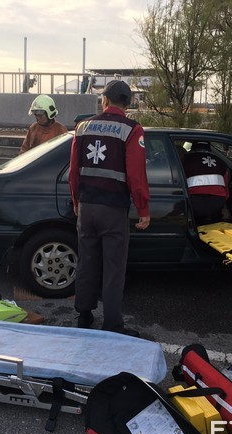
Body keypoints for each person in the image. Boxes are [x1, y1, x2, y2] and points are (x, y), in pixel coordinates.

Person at [68, 80, 150, 336]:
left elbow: (74, 172)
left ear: (104, 101)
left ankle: (83, 314)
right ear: (128, 104)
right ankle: (112, 324)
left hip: (88, 207)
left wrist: (76, 202)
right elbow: (136, 175)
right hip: (113, 210)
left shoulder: (82, 128)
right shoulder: (132, 129)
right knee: (114, 268)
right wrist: (143, 209)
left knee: (87, 262)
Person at [182, 141, 229, 225]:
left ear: (193, 148)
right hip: (217, 202)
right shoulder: (221, 162)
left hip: (194, 201)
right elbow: (226, 190)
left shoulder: (185, 160)